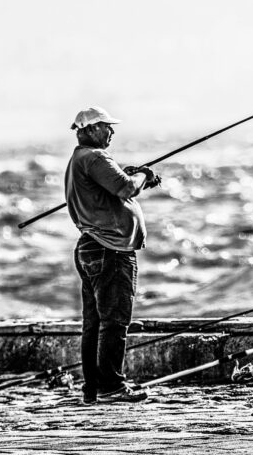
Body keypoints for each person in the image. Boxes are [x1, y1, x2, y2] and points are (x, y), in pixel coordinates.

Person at [65, 106, 160, 404]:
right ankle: (111, 388)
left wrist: (131, 177)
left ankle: (93, 390)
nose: (112, 132)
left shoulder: (79, 160)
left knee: (94, 323)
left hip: (92, 247)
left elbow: (111, 186)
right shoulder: (94, 157)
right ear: (91, 129)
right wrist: (143, 175)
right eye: (106, 126)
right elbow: (123, 189)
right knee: (114, 321)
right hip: (109, 250)